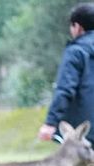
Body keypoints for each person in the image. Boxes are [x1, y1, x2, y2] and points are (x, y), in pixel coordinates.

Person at [38, 3, 94, 144]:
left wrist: (50, 122)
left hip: (82, 131)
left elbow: (65, 89)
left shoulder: (76, 52)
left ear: (77, 27)